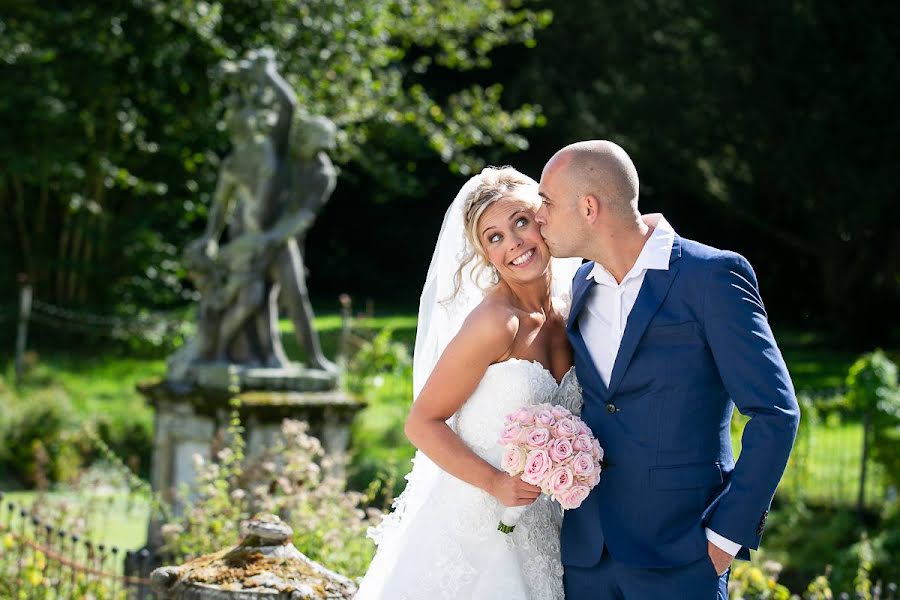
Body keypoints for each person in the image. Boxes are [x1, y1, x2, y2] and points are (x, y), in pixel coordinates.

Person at [534, 140, 801, 599]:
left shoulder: (712, 278)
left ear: (589, 207)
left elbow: (776, 413)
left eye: (547, 202)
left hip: (683, 552)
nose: (538, 215)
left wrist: (724, 538)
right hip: (588, 556)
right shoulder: (580, 285)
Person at [355, 167, 582, 600]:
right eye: (493, 237)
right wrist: (495, 482)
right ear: (484, 253)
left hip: (545, 524)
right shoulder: (495, 324)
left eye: (520, 221)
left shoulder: (575, 307)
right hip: (475, 525)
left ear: (544, 218)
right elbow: (422, 423)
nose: (513, 242)